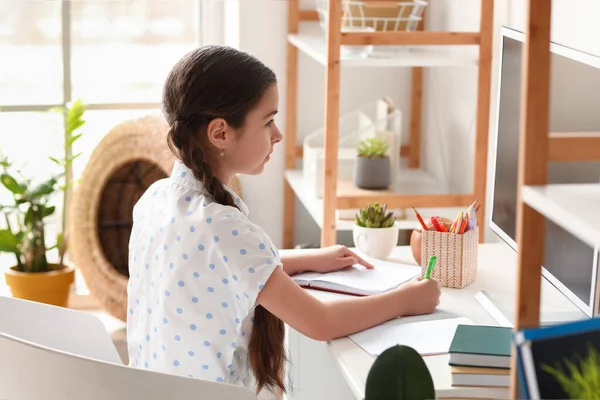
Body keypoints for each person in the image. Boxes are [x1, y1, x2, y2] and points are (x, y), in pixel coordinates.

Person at [126, 44, 441, 395]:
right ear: (220, 133)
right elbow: (321, 321)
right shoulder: (223, 228)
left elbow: (218, 266)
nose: (277, 135)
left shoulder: (155, 199)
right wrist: (406, 301)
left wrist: (305, 259)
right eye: (268, 121)